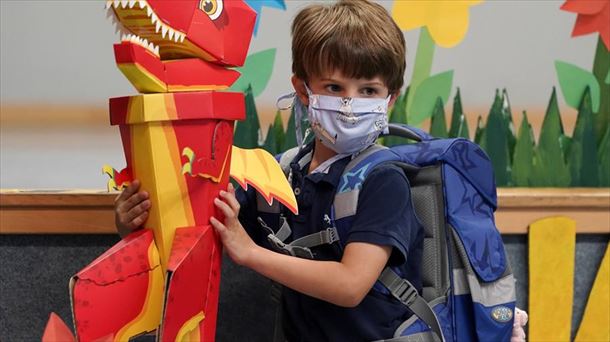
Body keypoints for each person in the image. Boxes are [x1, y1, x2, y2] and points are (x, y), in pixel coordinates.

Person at [116, 1, 419, 340]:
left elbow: (350, 285)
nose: (350, 105)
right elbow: (199, 222)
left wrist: (250, 253)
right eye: (334, 88)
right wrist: (136, 221)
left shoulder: (384, 180)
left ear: (389, 99)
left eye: (368, 91)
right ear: (303, 90)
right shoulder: (281, 172)